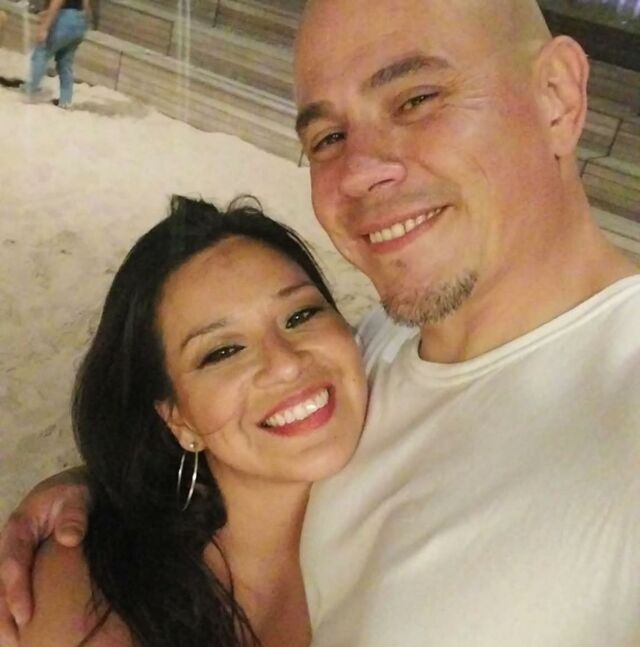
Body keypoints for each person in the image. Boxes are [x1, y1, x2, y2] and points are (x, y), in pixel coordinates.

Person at [1, 0, 640, 645]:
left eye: (416, 99)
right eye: (328, 138)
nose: (359, 172)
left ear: (556, 97)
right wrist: (94, 494)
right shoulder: (372, 353)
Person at [11, 195, 368, 646]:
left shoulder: (404, 398)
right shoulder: (93, 596)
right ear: (178, 419)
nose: (285, 364)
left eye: (301, 315)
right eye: (223, 352)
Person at [23, 0, 90, 108]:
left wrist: (44, 28)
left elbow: (57, 2)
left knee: (41, 53)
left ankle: (31, 91)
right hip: (79, 19)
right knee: (65, 62)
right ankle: (66, 100)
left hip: (65, 18)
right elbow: (85, 4)